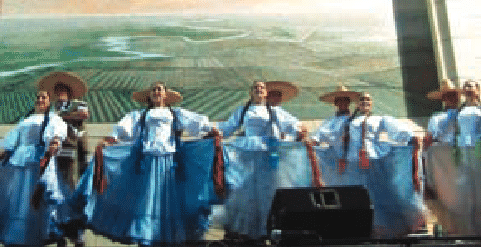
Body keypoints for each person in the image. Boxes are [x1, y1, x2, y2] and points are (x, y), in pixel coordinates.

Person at [69, 81, 221, 245]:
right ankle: (147, 234)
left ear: (165, 95)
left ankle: (165, 236)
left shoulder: (176, 114)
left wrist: (211, 130)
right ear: (149, 95)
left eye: (159, 89)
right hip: (147, 163)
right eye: (154, 89)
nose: (156, 91)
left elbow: (195, 122)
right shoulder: (140, 115)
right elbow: (124, 129)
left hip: (170, 162)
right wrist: (110, 140)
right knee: (148, 200)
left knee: (168, 201)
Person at [314, 92, 426, 237]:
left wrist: (410, 137)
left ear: (372, 103)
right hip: (353, 164)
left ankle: (379, 228)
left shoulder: (379, 119)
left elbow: (396, 129)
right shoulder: (347, 122)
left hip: (373, 162)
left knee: (376, 197)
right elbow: (331, 133)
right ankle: (356, 227)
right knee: (355, 197)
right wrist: (316, 141)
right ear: (357, 104)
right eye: (362, 100)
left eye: (368, 99)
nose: (365, 102)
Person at [0, 90, 70, 247]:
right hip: (19, 160)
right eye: (38, 97)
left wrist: (55, 142)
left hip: (37, 161)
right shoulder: (26, 119)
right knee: (16, 200)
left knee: (34, 199)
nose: (40, 99)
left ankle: (43, 233)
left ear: (49, 101)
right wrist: (0, 157)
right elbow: (14, 139)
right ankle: (17, 235)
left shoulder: (53, 118)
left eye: (43, 97)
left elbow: (56, 135)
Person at [216, 80, 313, 240]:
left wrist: (299, 130)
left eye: (262, 87)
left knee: (266, 192)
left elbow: (291, 123)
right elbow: (229, 127)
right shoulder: (243, 110)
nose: (259, 90)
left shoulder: (274, 110)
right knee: (244, 190)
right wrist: (216, 132)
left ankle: (265, 228)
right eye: (255, 88)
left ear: (266, 92)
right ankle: (246, 230)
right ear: (251, 92)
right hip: (246, 152)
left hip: (266, 153)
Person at [424, 79, 481, 235]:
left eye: (453, 95)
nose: (451, 98)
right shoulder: (452, 113)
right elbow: (435, 137)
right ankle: (466, 230)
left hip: (476, 151)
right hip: (460, 154)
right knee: (464, 193)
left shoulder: (475, 109)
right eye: (447, 96)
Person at [39, 72, 89, 247]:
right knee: (57, 193)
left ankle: (78, 233)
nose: (60, 93)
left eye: (63, 91)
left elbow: (83, 115)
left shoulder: (77, 105)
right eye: (58, 91)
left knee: (73, 191)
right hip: (54, 155)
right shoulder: (52, 109)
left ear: (68, 93)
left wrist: (60, 117)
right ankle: (59, 232)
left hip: (72, 152)